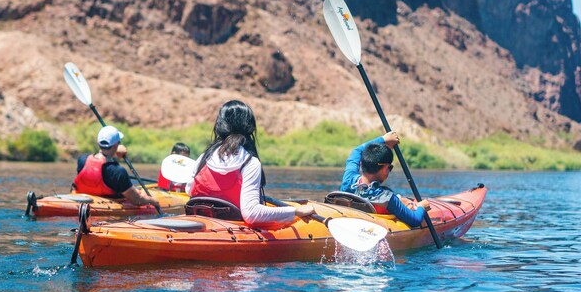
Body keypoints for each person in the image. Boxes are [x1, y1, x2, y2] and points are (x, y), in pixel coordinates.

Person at [186, 100, 315, 226]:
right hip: (230, 230)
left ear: (220, 125)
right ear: (250, 128)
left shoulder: (203, 158)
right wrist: (296, 211)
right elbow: (251, 214)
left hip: (200, 225)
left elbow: (189, 190)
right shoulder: (250, 163)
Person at [339, 131, 430, 227]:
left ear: (361, 164)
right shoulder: (386, 197)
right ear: (385, 168)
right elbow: (415, 220)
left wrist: (383, 139)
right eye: (390, 168)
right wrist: (421, 207)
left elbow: (357, 151)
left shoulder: (348, 180)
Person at [72, 125, 161, 211]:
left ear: (98, 143)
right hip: (105, 206)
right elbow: (136, 200)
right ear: (116, 145)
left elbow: (102, 166)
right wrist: (152, 201)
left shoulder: (82, 160)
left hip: (82, 201)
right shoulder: (118, 171)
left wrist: (114, 156)